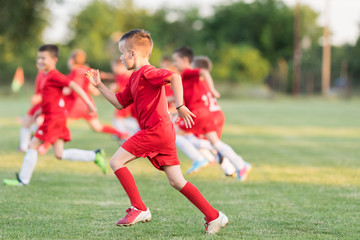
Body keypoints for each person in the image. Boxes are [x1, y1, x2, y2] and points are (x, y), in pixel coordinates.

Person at [85, 29, 228, 235]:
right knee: (177, 181)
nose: (120, 57)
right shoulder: (134, 78)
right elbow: (119, 102)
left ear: (133, 54)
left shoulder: (147, 72)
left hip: (155, 131)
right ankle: (214, 216)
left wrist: (180, 106)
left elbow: (175, 77)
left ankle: (139, 208)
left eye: (122, 53)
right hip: (164, 133)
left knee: (116, 162)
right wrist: (98, 85)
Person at [3, 44, 106, 186]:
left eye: (43, 58)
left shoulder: (54, 75)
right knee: (59, 154)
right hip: (56, 117)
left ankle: (23, 180)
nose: (40, 61)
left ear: (54, 60)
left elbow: (74, 86)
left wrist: (89, 103)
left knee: (32, 145)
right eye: (38, 58)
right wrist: (40, 110)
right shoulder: (44, 75)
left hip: (54, 119)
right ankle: (95, 155)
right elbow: (51, 97)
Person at [172, 46, 251, 181]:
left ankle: (198, 159)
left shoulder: (186, 73)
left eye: (175, 60)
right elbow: (178, 98)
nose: (174, 64)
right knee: (215, 143)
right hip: (206, 113)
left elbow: (203, 71)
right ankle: (241, 164)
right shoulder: (185, 78)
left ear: (185, 60)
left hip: (199, 113)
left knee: (173, 133)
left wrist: (213, 89)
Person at [18, 65, 46, 152]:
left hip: (44, 104)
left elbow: (50, 91)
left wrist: (39, 97)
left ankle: (40, 145)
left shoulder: (47, 75)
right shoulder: (40, 74)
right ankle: (24, 147)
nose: (39, 63)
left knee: (39, 124)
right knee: (27, 122)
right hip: (37, 105)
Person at [109, 58, 139, 138]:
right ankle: (123, 134)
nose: (113, 69)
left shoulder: (125, 76)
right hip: (124, 102)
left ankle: (123, 135)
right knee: (120, 120)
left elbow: (123, 89)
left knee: (119, 119)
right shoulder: (119, 76)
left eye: (114, 66)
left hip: (126, 103)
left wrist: (115, 88)